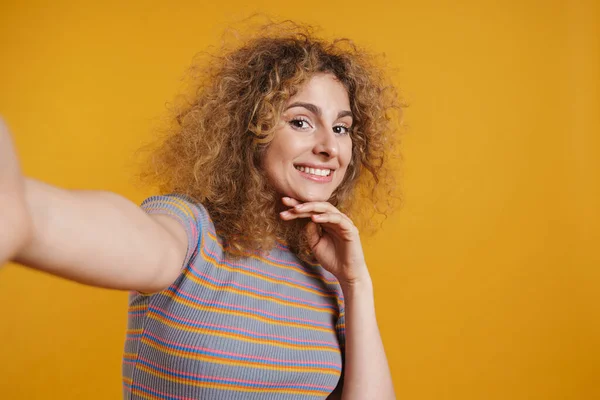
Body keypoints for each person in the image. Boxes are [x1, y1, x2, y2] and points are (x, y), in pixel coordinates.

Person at [0, 22, 400, 400]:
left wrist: (356, 285)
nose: (329, 146)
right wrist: (28, 215)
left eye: (342, 128)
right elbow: (140, 242)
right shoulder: (193, 230)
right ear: (251, 130)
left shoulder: (331, 276)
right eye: (300, 122)